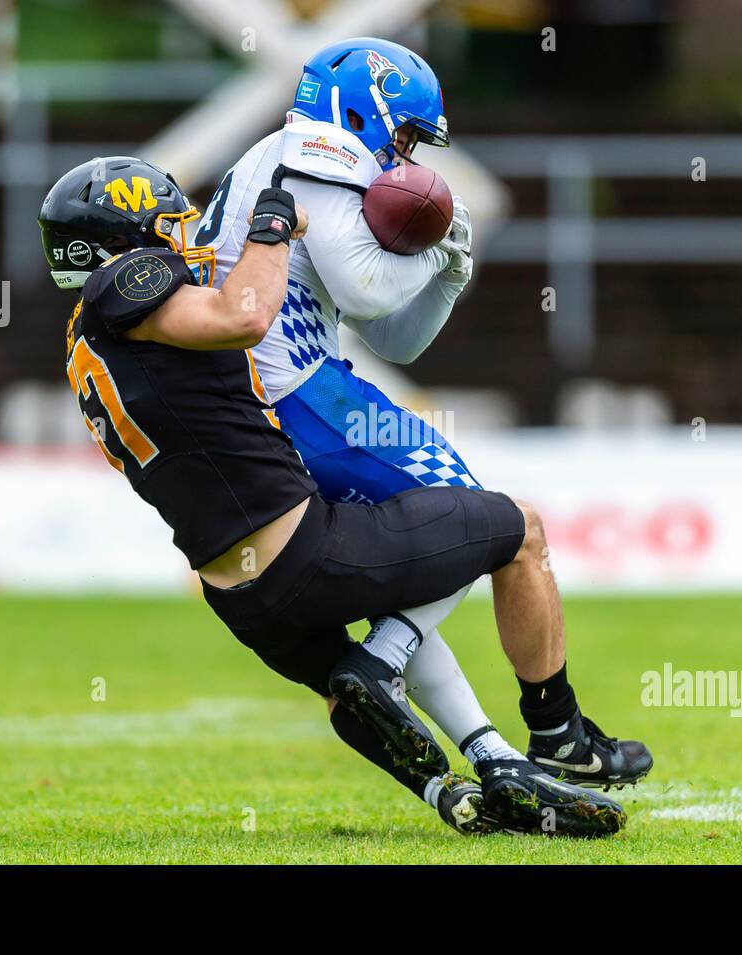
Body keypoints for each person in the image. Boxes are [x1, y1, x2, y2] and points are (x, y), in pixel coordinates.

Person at [38, 155, 625, 837]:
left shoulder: (86, 338)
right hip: (304, 551)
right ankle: (544, 727)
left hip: (240, 595)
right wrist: (273, 224)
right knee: (517, 529)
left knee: (348, 685)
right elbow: (245, 314)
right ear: (127, 229)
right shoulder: (125, 281)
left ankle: (463, 781)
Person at [196, 38, 653, 791]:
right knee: (487, 523)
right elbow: (374, 291)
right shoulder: (318, 147)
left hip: (271, 396)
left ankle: (487, 748)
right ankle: (531, 721)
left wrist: (449, 269)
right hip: (299, 389)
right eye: (403, 134)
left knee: (438, 544)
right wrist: (435, 250)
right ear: (363, 110)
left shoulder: (279, 157)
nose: (403, 153)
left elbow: (393, 337)